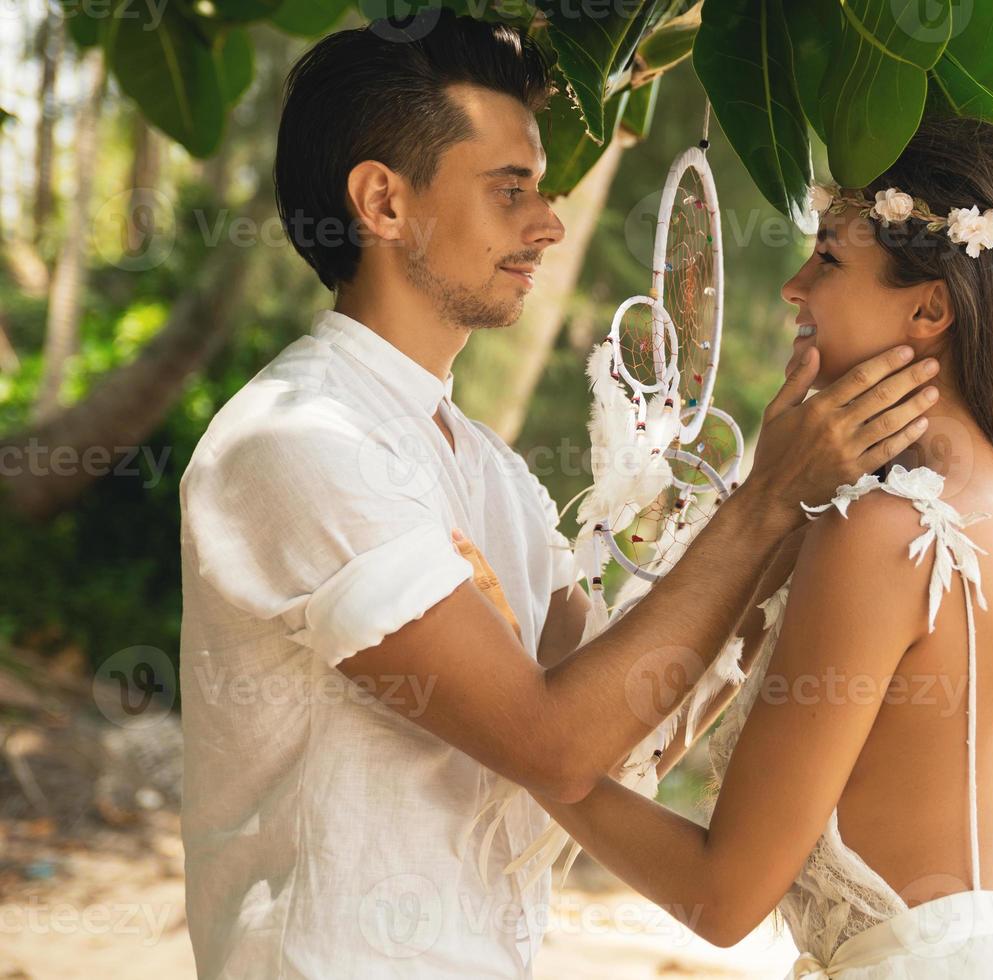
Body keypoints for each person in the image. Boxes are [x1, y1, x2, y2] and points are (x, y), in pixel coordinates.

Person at [176, 15, 937, 979]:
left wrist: (790, 525)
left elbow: (631, 738)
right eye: (512, 190)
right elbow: (554, 743)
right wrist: (762, 509)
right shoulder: (299, 444)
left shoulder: (489, 468)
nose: (549, 222)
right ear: (382, 202)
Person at [481, 115, 993, 977]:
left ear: (931, 307)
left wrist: (530, 743)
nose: (793, 287)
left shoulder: (888, 535)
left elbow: (724, 898)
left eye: (826, 258)